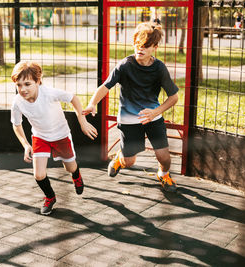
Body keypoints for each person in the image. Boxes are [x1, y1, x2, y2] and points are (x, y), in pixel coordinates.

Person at [83, 21, 179, 192]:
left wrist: (155, 112)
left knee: (164, 157)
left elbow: (174, 97)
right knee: (130, 162)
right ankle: (120, 158)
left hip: (152, 116)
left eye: (145, 46)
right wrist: (92, 104)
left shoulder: (159, 68)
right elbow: (105, 86)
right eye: (137, 45)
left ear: (154, 47)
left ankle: (163, 174)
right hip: (128, 118)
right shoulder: (125, 65)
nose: (140, 49)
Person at [10, 61, 98, 215]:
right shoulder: (17, 102)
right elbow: (16, 125)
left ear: (38, 81)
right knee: (38, 174)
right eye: (19, 85)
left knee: (69, 167)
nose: (23, 89)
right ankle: (50, 197)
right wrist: (25, 144)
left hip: (60, 135)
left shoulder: (49, 93)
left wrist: (82, 122)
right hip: (40, 137)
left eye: (27, 84)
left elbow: (73, 98)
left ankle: (76, 175)